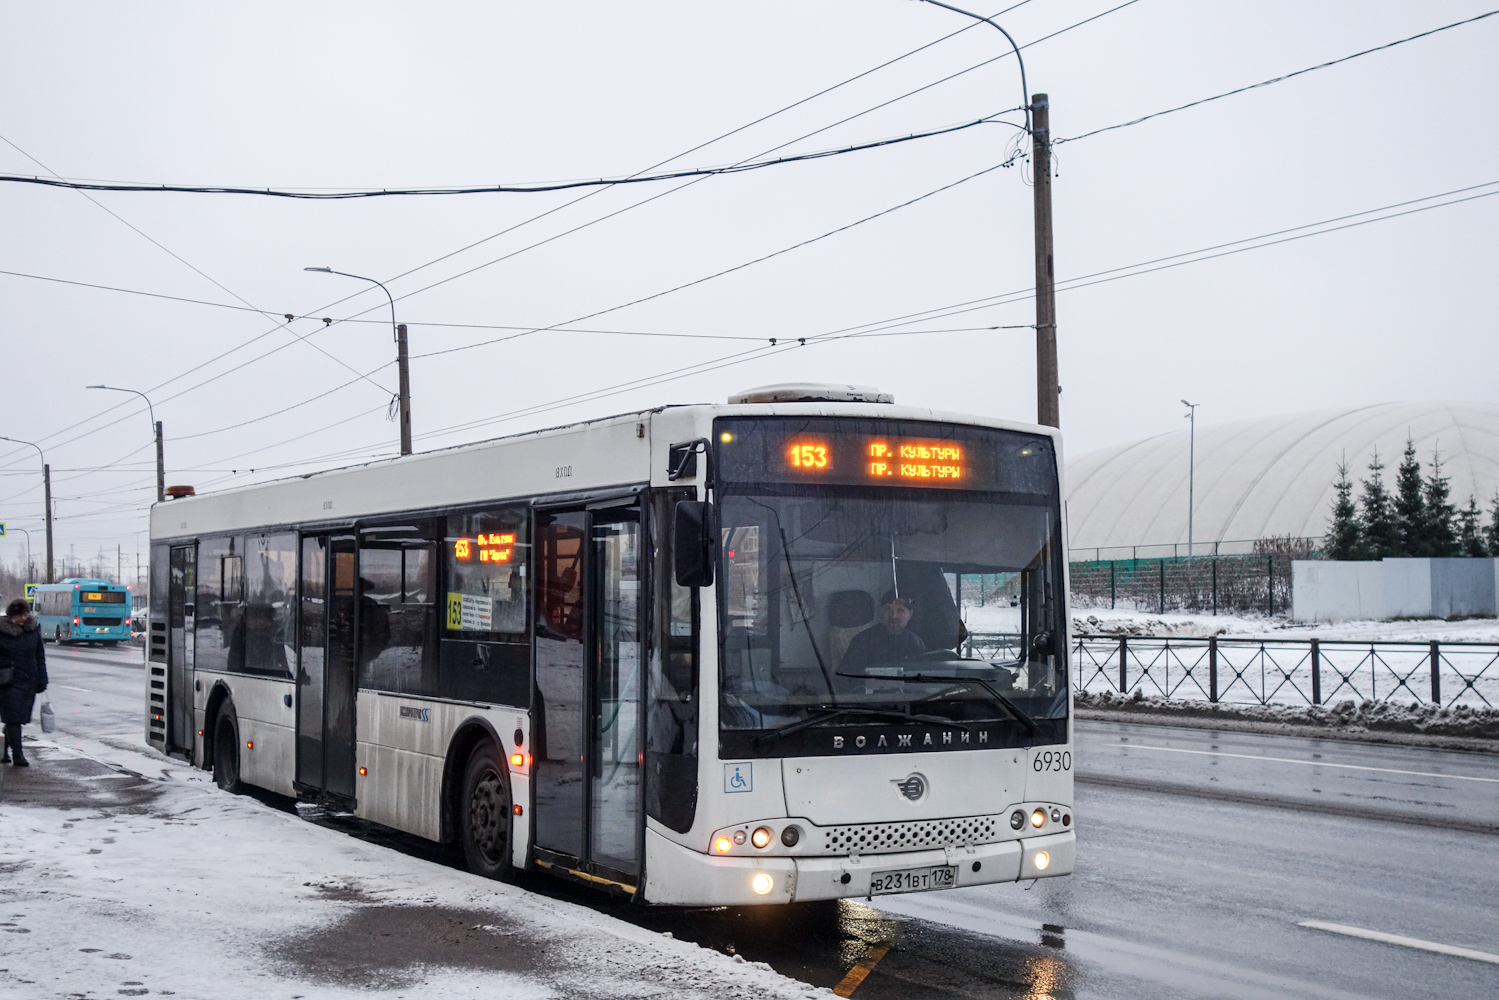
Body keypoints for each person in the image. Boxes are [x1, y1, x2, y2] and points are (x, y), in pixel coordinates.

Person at [0, 598, 48, 767]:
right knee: (13, 718)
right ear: (11, 615)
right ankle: (18, 755)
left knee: (17, 718)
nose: (22, 618)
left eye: (25, 614)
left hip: (29, 680)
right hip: (8, 681)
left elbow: (39, 655)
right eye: (19, 615)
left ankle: (3, 750)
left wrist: (43, 678)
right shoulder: (2, 631)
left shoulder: (32, 630)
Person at [840, 590, 926, 673]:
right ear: (880, 611)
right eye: (888, 609)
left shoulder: (916, 643)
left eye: (900, 610)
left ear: (910, 615)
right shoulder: (862, 641)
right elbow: (848, 679)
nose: (893, 616)